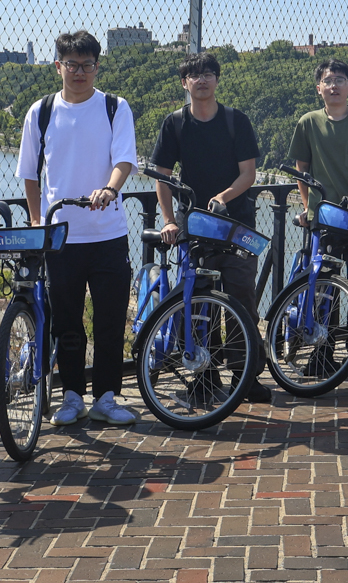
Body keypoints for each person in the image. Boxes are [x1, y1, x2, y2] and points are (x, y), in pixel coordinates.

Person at [16, 30, 138, 426]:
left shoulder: (115, 107)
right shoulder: (42, 110)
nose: (80, 72)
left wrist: (109, 188)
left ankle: (106, 397)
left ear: (97, 66)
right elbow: (29, 173)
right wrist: (37, 220)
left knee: (109, 320)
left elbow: (124, 161)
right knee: (66, 322)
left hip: (108, 233)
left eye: (87, 65)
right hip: (61, 236)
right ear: (58, 67)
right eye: (72, 65)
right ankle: (71, 396)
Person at [151, 51, 271, 403]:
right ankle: (204, 377)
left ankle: (245, 376)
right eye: (194, 75)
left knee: (241, 300)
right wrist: (170, 220)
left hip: (236, 226)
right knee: (200, 305)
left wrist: (223, 195)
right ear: (184, 82)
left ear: (217, 80)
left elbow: (248, 174)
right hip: (194, 227)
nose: (201, 80)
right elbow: (162, 175)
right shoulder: (175, 123)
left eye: (208, 73)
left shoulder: (236, 121)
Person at [288, 58, 348, 367]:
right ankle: (323, 351)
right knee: (326, 287)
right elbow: (300, 169)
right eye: (328, 81)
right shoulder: (308, 122)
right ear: (319, 88)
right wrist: (307, 207)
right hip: (326, 218)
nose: (334, 86)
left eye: (340, 80)